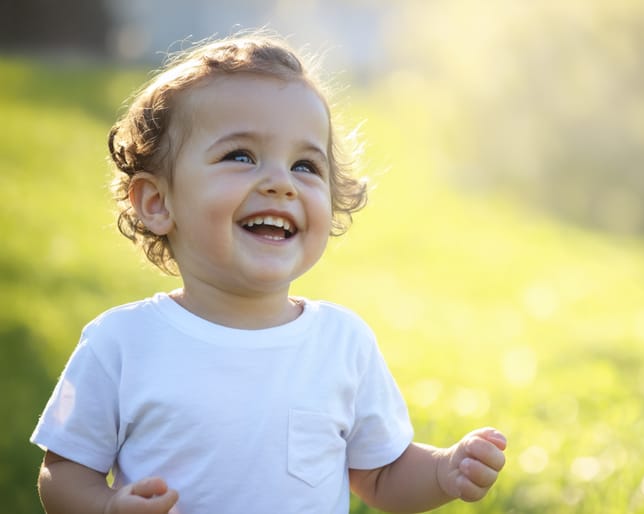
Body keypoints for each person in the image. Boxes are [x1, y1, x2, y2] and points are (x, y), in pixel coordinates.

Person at [30, 31, 507, 514]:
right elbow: (64, 472)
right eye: (241, 156)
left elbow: (382, 476)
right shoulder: (120, 342)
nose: (281, 183)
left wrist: (445, 471)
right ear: (157, 202)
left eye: (305, 165)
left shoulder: (343, 343)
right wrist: (108, 507)